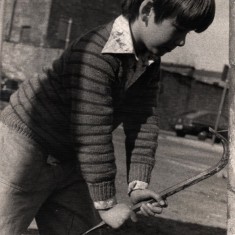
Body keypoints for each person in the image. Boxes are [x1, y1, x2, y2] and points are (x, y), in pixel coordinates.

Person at [0, 0, 215, 234]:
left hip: (69, 156)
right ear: (146, 10)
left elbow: (143, 119)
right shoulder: (96, 53)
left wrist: (137, 185)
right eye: (179, 28)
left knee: (82, 230)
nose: (182, 41)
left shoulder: (148, 62)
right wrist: (107, 205)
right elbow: (92, 129)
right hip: (24, 147)